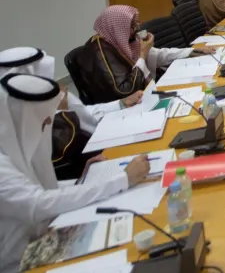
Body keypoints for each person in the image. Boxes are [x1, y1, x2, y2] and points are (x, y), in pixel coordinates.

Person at [0, 71, 151, 273]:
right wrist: (122, 180)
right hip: (22, 267)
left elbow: (33, 192)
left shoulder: (13, 144)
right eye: (43, 121)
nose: (47, 125)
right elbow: (38, 203)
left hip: (49, 237)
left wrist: (81, 180)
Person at [0, 47, 146, 181]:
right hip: (80, 165)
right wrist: (63, 111)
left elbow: (83, 112)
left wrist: (121, 103)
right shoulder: (12, 117)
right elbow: (39, 193)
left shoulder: (51, 92)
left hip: (96, 154)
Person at [75, 6, 193, 103]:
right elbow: (126, 90)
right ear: (118, 28)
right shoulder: (101, 53)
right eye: (132, 26)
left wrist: (190, 51)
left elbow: (156, 55)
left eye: (136, 23)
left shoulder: (119, 39)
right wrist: (142, 54)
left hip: (145, 95)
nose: (137, 28)